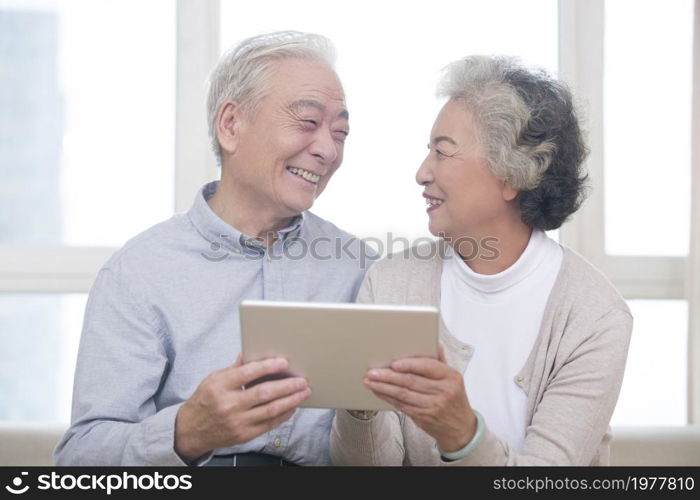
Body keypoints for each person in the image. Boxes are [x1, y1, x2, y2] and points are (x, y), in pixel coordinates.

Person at [54, 31, 374, 466]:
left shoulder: (360, 269)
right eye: (307, 122)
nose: (327, 150)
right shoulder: (139, 272)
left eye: (340, 132)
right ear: (230, 125)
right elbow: (79, 460)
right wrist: (187, 432)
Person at [330, 55, 632, 466]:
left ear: (512, 174)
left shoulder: (595, 315)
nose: (422, 173)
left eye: (443, 152)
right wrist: (357, 399)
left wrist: (461, 432)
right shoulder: (391, 283)